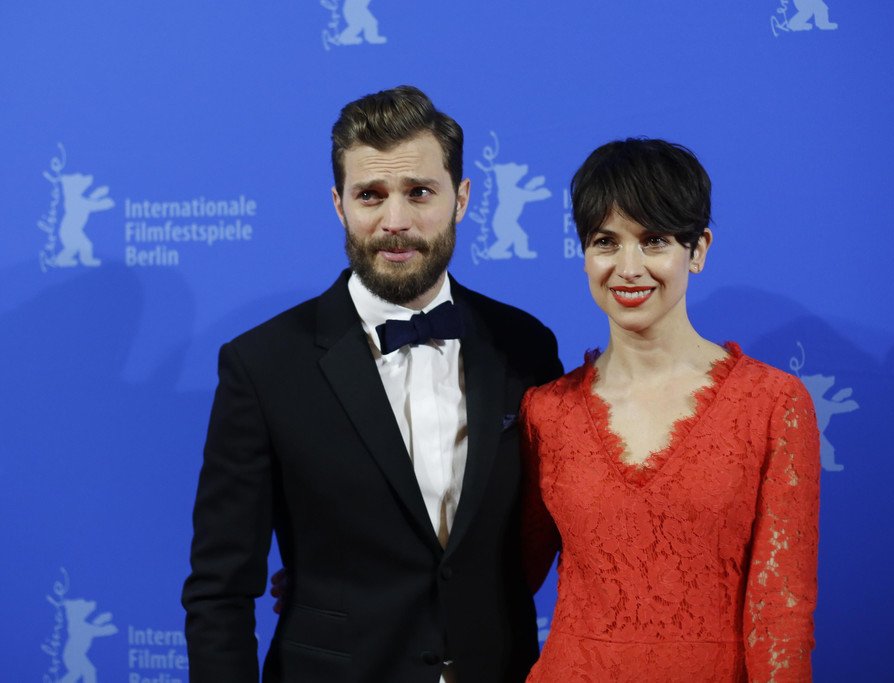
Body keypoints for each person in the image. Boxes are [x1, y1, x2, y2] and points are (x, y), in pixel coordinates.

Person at [181, 85, 562, 683]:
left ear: (462, 199)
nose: (395, 222)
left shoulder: (525, 345)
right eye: (370, 195)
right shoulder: (263, 365)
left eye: (419, 192)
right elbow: (219, 590)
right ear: (339, 205)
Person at [519, 138, 820, 682]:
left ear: (698, 250)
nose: (628, 268)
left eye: (654, 241)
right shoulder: (546, 412)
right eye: (606, 242)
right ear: (584, 255)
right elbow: (504, 578)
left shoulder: (773, 404)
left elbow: (781, 612)